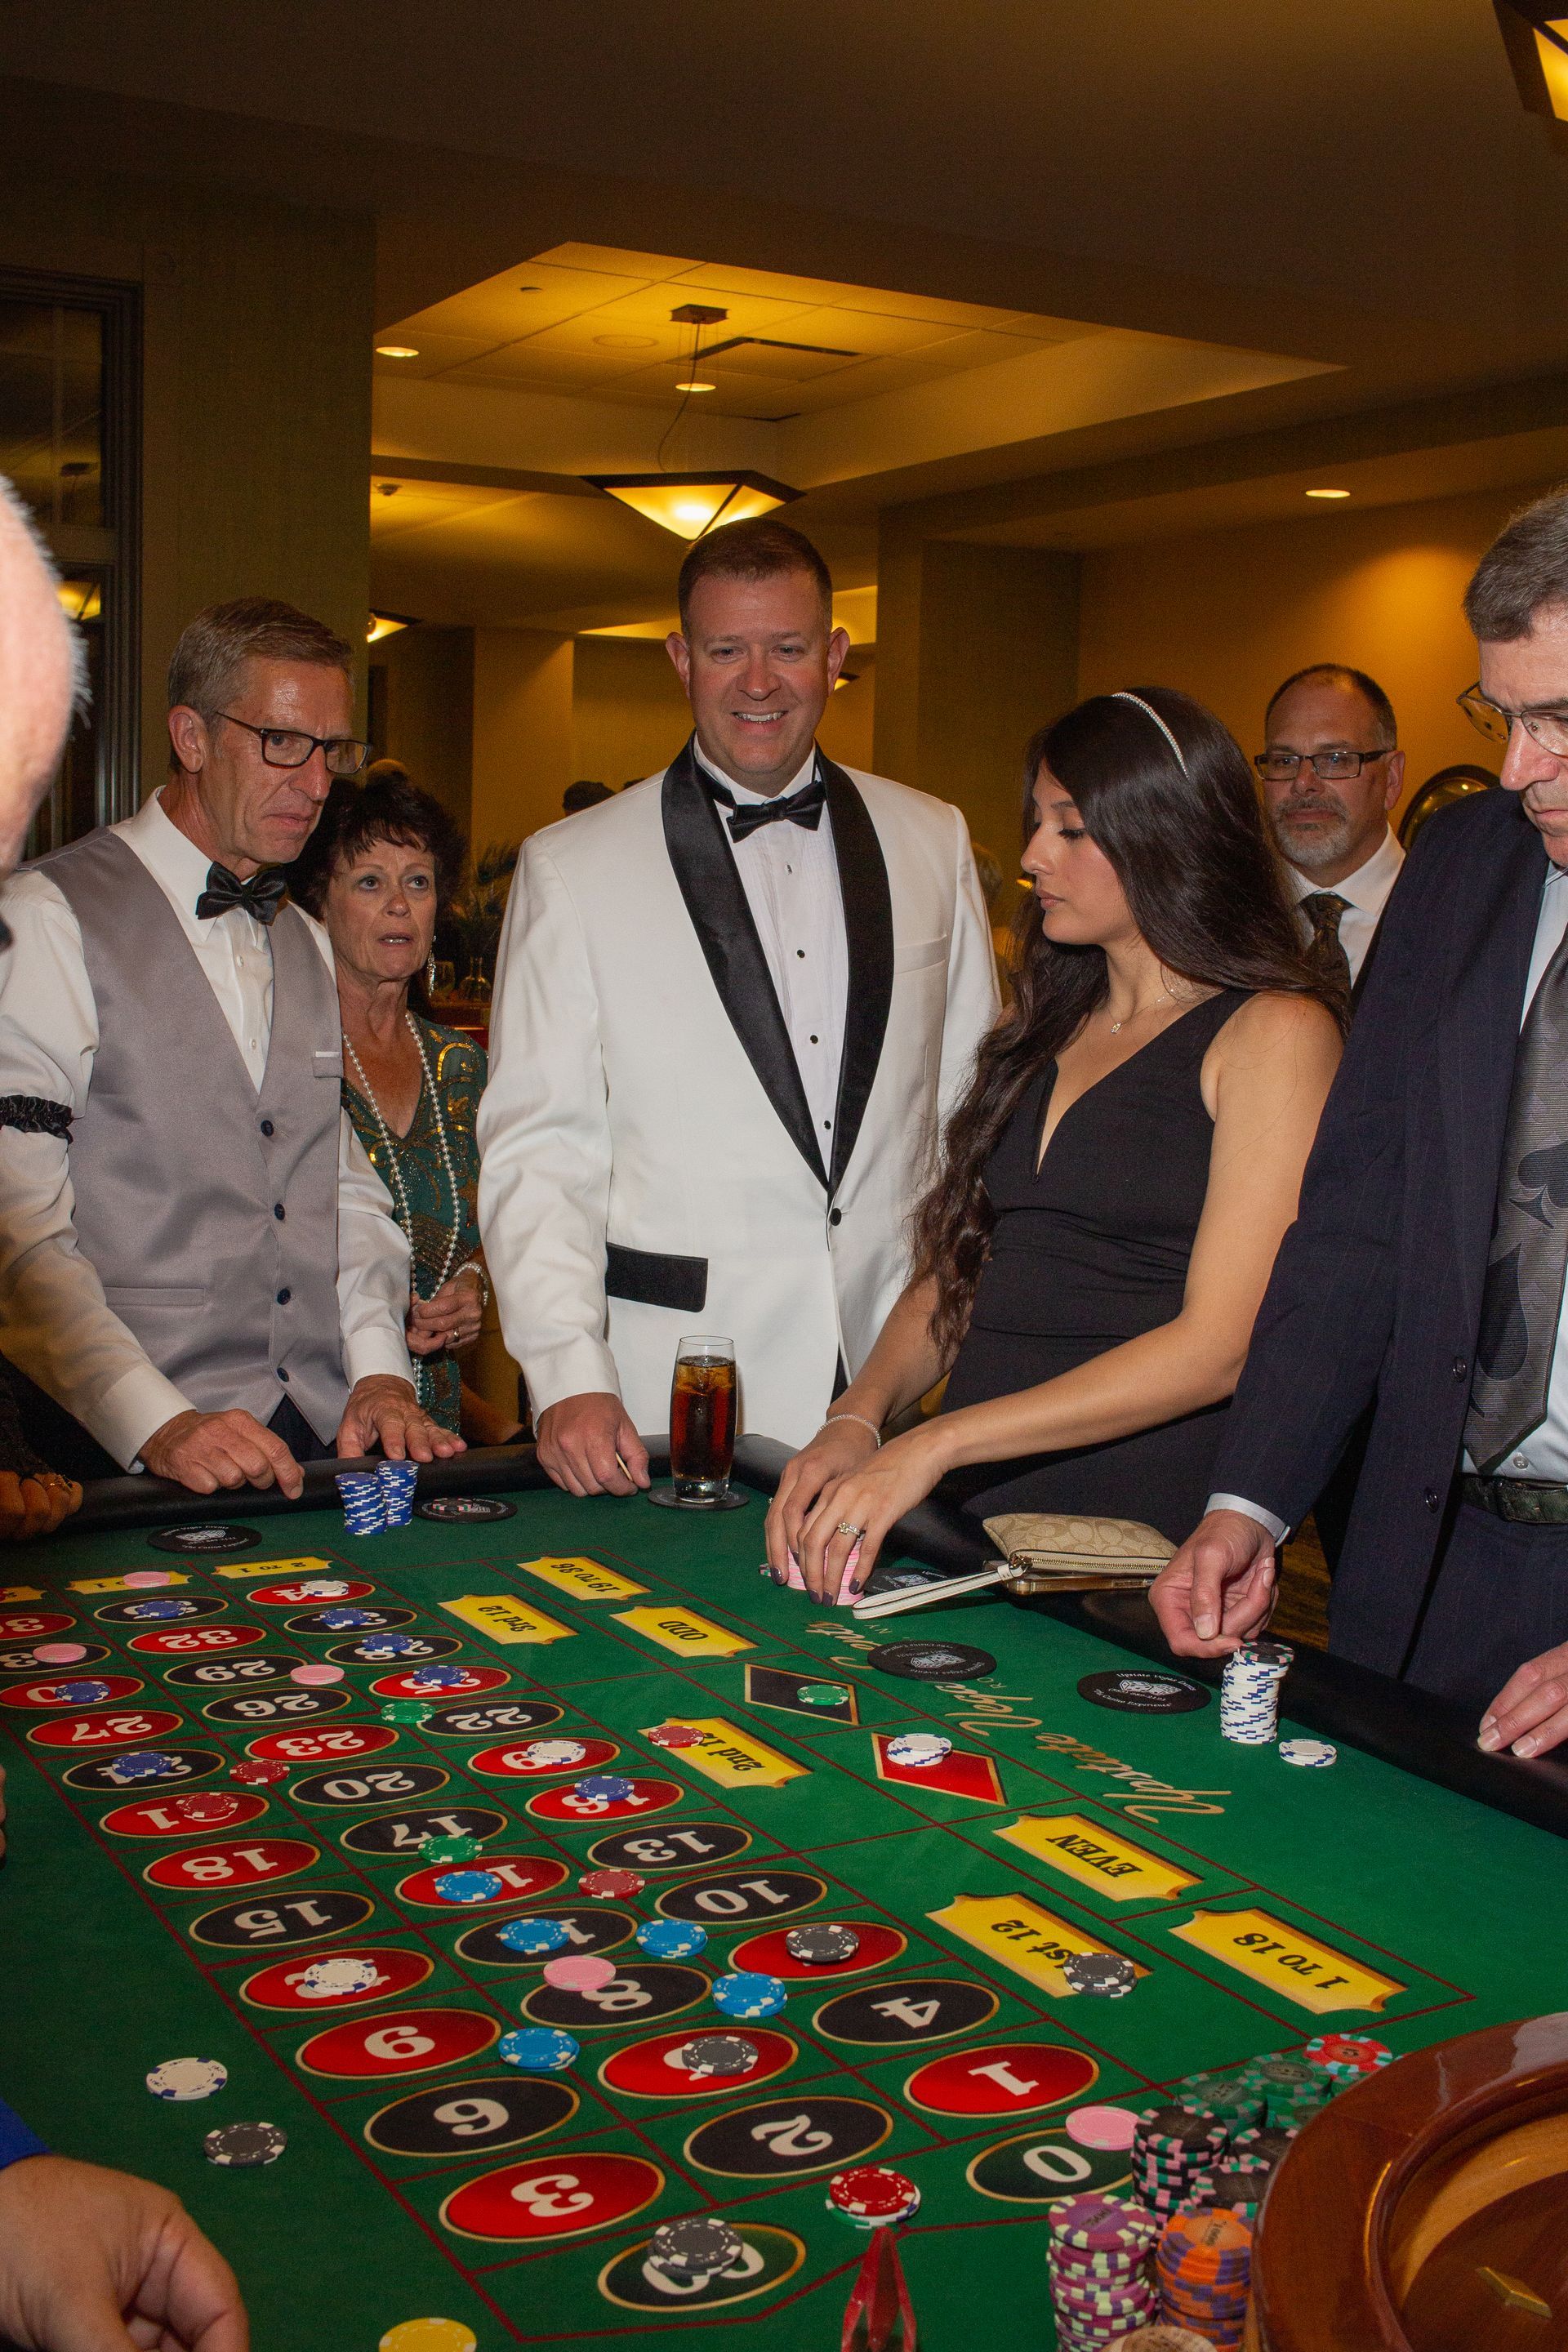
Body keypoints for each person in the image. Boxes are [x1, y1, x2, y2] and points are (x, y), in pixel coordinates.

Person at [1152, 485, 1568, 1762]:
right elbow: (1357, 1225)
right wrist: (1252, 1498)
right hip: (1435, 1554)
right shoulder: (1463, 866)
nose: (1517, 769)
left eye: (1560, 721)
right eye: (1502, 718)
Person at [768, 688, 1343, 1599]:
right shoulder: (1043, 1022)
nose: (1034, 856)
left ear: (1167, 835)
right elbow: (965, 1270)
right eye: (1038, 822)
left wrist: (939, 1438)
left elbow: (1220, 1345)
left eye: (1071, 829)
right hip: (974, 1519)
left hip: (1134, 1541)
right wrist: (862, 1414)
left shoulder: (1274, 1031)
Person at [478, 516, 999, 1490]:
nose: (758, 681)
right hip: (670, 1386)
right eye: (727, 650)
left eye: (788, 648)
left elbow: (975, 1119)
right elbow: (539, 1153)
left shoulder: (934, 839)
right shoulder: (571, 866)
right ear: (681, 658)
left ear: (835, 657)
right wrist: (562, 1373)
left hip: (892, 1385)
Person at [0, 595, 463, 1497]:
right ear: (192, 738)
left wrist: (375, 1368)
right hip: (115, 1446)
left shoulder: (303, 934)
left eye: (331, 750)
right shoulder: (46, 916)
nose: (316, 781)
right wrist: (157, 1420)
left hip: (318, 1437)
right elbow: (17, 1234)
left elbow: (339, 1189)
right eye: (282, 742)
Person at [288, 774, 519, 1445]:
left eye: (417, 882)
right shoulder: (282, 1063)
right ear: (319, 901)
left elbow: (490, 1227)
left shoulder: (463, 1065)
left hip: (436, 1437)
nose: (399, 905)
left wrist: (473, 1287)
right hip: (309, 1432)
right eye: (369, 883)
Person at [1256, 664, 1405, 1004]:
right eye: (1284, 761)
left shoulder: (1458, 918)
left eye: (1336, 759)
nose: (1304, 783)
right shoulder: (1224, 923)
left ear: (1392, 779)